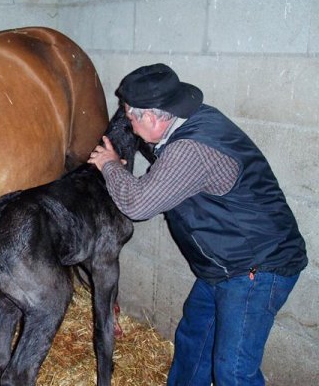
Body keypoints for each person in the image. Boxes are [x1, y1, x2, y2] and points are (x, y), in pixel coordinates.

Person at [87, 63, 307, 386]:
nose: (130, 129)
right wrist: (122, 172)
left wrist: (109, 168)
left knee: (233, 371)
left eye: (131, 119)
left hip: (257, 267)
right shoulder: (188, 122)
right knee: (193, 344)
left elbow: (138, 204)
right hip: (224, 263)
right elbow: (167, 174)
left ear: (151, 116)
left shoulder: (191, 148)